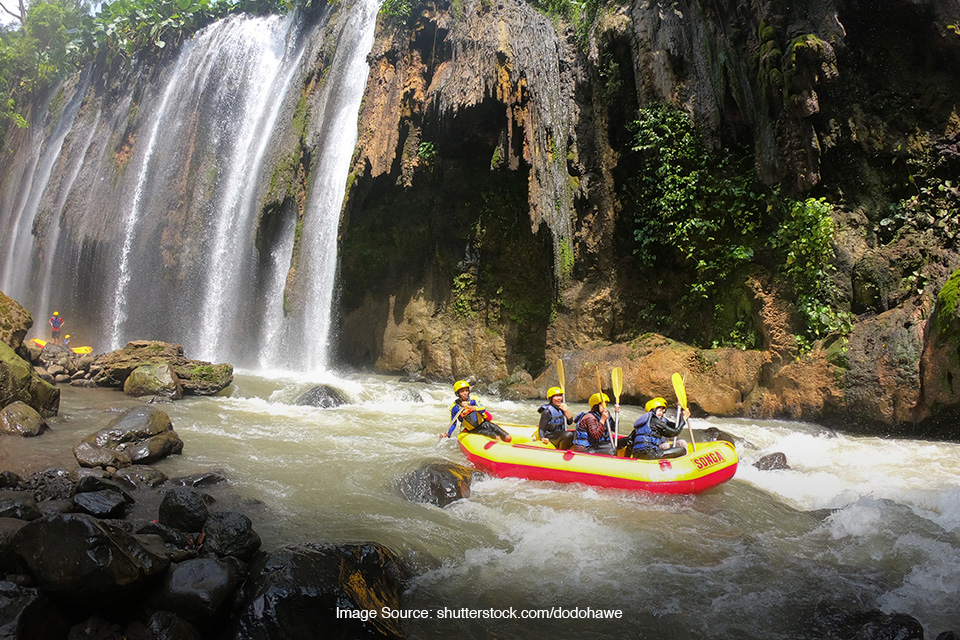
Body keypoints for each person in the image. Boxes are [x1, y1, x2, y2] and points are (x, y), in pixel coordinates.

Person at [439, 380, 512, 442]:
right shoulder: (454, 407)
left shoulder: (474, 399)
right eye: (462, 391)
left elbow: (482, 408)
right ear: (458, 393)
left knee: (508, 437)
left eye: (466, 390)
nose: (465, 393)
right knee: (496, 437)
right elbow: (453, 423)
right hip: (473, 429)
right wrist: (447, 433)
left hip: (484, 423)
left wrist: (469, 406)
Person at [620, 397, 689, 459]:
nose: (662, 413)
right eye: (660, 410)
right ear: (653, 410)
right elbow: (675, 432)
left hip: (638, 454)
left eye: (663, 411)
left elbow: (629, 441)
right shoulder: (655, 421)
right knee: (682, 450)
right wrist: (684, 419)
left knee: (676, 444)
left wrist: (681, 414)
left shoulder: (642, 422)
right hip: (651, 454)